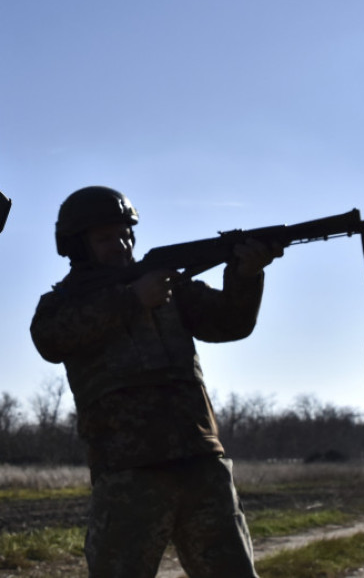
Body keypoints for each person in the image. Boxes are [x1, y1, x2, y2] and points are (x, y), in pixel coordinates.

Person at [30, 186, 282, 578]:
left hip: (201, 462)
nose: (121, 245)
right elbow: (49, 339)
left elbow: (230, 322)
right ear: (78, 246)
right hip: (129, 472)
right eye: (105, 238)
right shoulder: (63, 302)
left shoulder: (169, 287)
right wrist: (132, 300)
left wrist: (246, 276)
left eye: (125, 234)